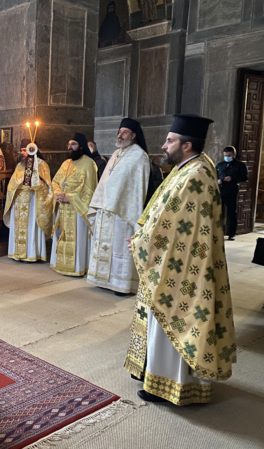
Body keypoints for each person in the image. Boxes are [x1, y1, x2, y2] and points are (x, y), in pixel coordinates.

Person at [125, 114, 236, 405]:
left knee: (174, 319)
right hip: (172, 258)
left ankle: (170, 385)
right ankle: (153, 372)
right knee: (160, 319)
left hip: (183, 265)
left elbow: (175, 226)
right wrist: (142, 236)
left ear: (186, 145)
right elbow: (163, 212)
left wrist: (143, 241)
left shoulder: (196, 174)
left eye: (170, 140)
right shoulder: (188, 168)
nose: (164, 145)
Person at [86, 117, 151, 295]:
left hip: (124, 211)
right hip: (106, 209)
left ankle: (122, 284)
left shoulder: (139, 155)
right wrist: (100, 202)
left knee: (120, 247)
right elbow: (105, 181)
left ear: (134, 135)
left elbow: (137, 187)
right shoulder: (116, 154)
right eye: (119, 131)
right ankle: (102, 279)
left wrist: (120, 203)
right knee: (105, 246)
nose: (120, 135)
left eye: (124, 132)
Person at [50, 134, 98, 275]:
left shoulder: (89, 163)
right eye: (69, 144)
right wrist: (58, 193)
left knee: (78, 238)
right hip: (63, 207)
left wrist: (70, 197)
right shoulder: (66, 163)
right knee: (62, 235)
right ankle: (61, 264)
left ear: (81, 146)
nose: (70, 147)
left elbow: (90, 189)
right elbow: (55, 181)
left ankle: (78, 267)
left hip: (78, 209)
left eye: (74, 144)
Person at [3, 139, 52, 262]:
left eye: (25, 150)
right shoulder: (19, 165)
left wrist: (36, 184)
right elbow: (12, 185)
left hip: (34, 202)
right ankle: (17, 253)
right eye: (21, 150)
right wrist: (18, 186)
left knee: (31, 227)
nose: (23, 153)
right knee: (19, 227)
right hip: (19, 201)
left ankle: (32, 253)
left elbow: (48, 186)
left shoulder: (41, 164)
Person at [216, 146, 248, 240]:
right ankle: (218, 232)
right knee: (218, 212)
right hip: (220, 190)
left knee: (231, 213)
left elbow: (244, 177)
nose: (227, 157)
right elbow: (214, 176)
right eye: (225, 155)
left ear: (233, 155)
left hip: (232, 190)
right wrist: (218, 180)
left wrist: (232, 178)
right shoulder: (220, 165)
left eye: (229, 155)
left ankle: (231, 233)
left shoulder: (240, 165)